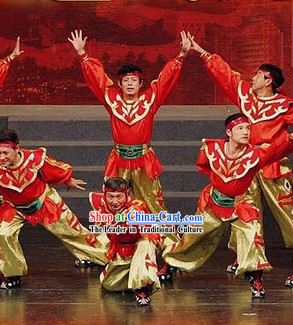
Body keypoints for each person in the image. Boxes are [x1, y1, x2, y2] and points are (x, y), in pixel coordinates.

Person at [187, 33, 293, 287]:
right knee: (243, 210)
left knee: (288, 214)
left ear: (268, 80)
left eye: (257, 75)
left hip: (271, 164)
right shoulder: (246, 95)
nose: (252, 78)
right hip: (244, 163)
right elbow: (225, 75)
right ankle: (244, 257)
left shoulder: (285, 104)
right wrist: (201, 51)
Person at [163, 113, 293, 298]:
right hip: (214, 203)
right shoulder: (212, 148)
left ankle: (255, 279)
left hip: (241, 205)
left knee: (252, 236)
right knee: (193, 237)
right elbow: (204, 166)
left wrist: (289, 138)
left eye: (248, 128)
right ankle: (170, 265)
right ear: (229, 132)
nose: (246, 132)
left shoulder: (255, 155)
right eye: (240, 128)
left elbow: (277, 150)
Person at [68, 30, 191, 217]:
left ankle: (163, 239)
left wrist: (181, 55)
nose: (130, 83)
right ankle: (113, 239)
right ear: (120, 84)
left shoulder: (150, 100)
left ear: (141, 84)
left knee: (152, 201)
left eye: (134, 80)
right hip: (119, 159)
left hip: (143, 158)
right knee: (113, 200)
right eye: (126, 80)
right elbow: (97, 79)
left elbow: (166, 80)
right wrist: (82, 53)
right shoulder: (112, 100)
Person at [0, 129, 108, 289]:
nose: (2, 157)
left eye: (5, 153)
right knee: (4, 234)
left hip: (44, 203)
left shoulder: (34, 160)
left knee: (72, 232)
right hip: (13, 208)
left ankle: (103, 257)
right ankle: (11, 273)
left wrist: (67, 180)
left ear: (17, 148)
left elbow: (53, 170)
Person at [89, 177, 161, 307]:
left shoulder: (135, 208)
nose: (115, 201)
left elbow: (146, 229)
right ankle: (132, 278)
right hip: (120, 246)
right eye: (110, 196)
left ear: (127, 194)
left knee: (145, 245)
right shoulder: (101, 204)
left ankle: (142, 291)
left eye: (119, 197)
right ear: (104, 194)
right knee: (110, 284)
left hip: (138, 242)